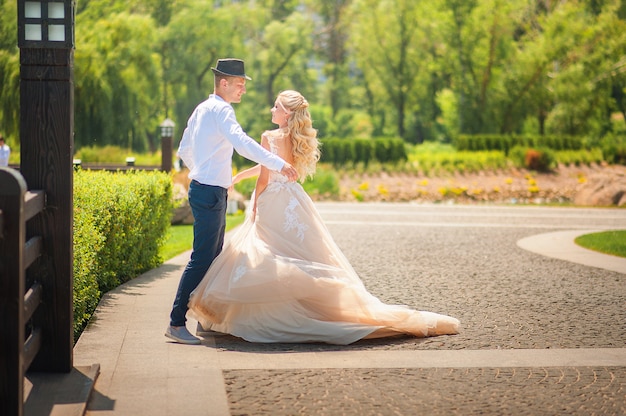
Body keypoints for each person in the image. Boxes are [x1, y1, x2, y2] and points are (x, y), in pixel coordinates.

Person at [187, 90, 460, 345]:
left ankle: (268, 312)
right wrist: (239, 176)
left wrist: (256, 202)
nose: (272, 108)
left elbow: (265, 174)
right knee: (299, 253)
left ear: (287, 114)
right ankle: (306, 304)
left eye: (277, 106)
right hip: (293, 200)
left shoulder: (269, 136)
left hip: (272, 200)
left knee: (266, 253)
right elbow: (270, 163)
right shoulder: (295, 138)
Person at [165, 59, 299, 345]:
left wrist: (201, 170)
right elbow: (243, 143)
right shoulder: (222, 111)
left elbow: (184, 148)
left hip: (206, 188)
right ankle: (176, 323)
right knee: (203, 258)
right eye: (240, 85)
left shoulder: (202, 108)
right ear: (223, 83)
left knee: (213, 257)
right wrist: (278, 163)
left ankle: (204, 317)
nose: (243, 91)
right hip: (210, 191)